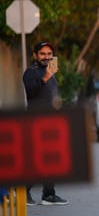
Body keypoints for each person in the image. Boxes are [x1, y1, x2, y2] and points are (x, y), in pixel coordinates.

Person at [22, 42, 68, 206]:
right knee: (37, 160)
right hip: (36, 121)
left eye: (49, 54)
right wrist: (46, 78)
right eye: (42, 54)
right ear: (35, 55)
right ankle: (24, 191)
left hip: (52, 121)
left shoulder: (51, 72)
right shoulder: (31, 72)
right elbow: (30, 93)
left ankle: (48, 194)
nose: (46, 57)